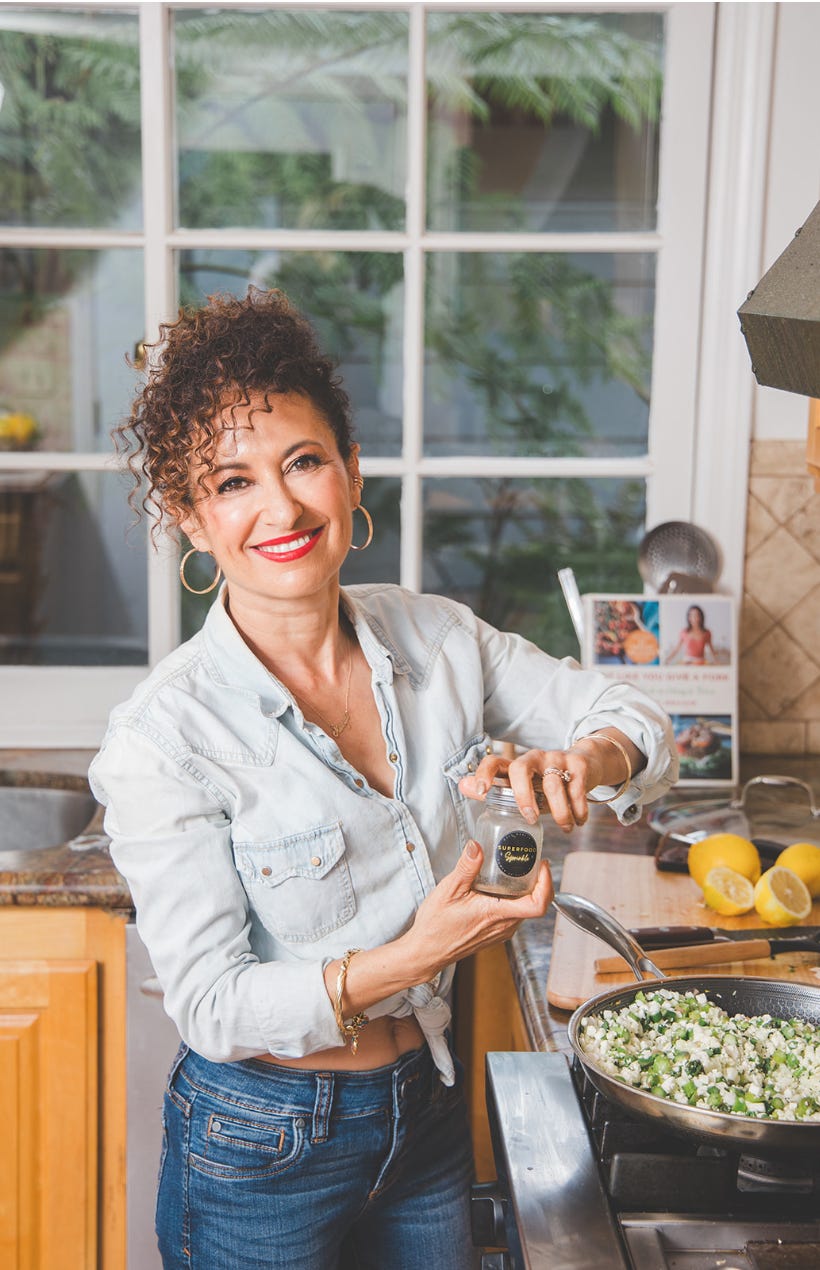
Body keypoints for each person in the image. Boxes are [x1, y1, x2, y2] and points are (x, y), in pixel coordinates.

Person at [89, 288, 678, 1270]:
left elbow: (634, 715)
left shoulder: (436, 637)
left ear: (351, 473)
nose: (279, 506)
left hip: (425, 1109)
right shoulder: (165, 736)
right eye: (232, 483)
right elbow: (214, 1007)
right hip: (261, 1140)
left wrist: (586, 760)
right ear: (193, 520)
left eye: (304, 462)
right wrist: (416, 955)